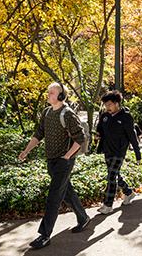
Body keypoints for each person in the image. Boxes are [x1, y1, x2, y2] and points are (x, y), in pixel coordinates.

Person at [18, 82, 90, 250]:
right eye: (49, 92)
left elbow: (81, 139)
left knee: (54, 197)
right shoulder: (47, 112)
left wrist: (66, 156)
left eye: (52, 93)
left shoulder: (68, 114)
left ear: (61, 96)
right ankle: (83, 217)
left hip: (64, 161)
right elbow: (39, 134)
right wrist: (26, 150)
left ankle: (44, 235)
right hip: (51, 160)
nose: (48, 95)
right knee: (66, 192)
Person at [95, 90, 142, 214]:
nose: (107, 107)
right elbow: (100, 128)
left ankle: (108, 205)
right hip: (107, 150)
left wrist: (138, 154)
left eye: (109, 104)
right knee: (115, 175)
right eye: (105, 105)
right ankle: (129, 192)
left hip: (119, 151)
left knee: (111, 177)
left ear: (117, 103)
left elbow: (132, 136)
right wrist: (98, 135)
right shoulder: (104, 116)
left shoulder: (126, 117)